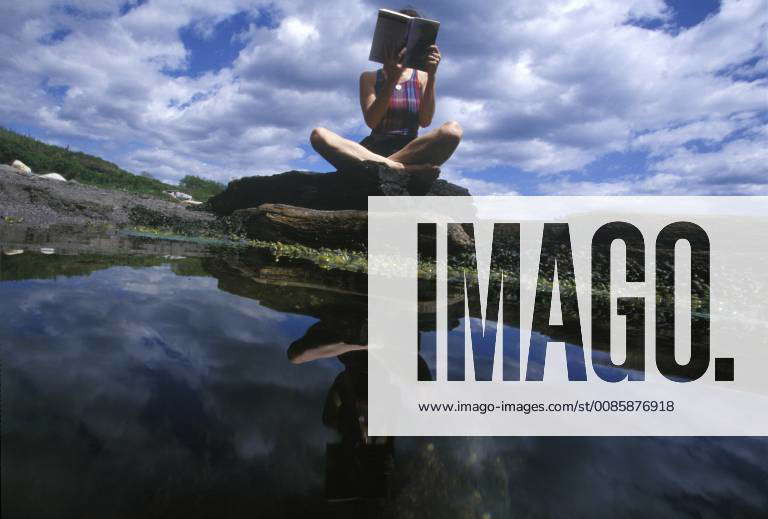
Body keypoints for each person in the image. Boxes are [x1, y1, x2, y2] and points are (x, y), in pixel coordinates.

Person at [309, 7, 462, 184]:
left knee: (453, 130)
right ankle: (401, 169)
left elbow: (425, 121)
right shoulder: (369, 78)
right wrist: (391, 80)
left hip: (409, 150)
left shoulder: (422, 77)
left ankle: (385, 166)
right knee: (318, 135)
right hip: (373, 149)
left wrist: (432, 75)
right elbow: (372, 121)